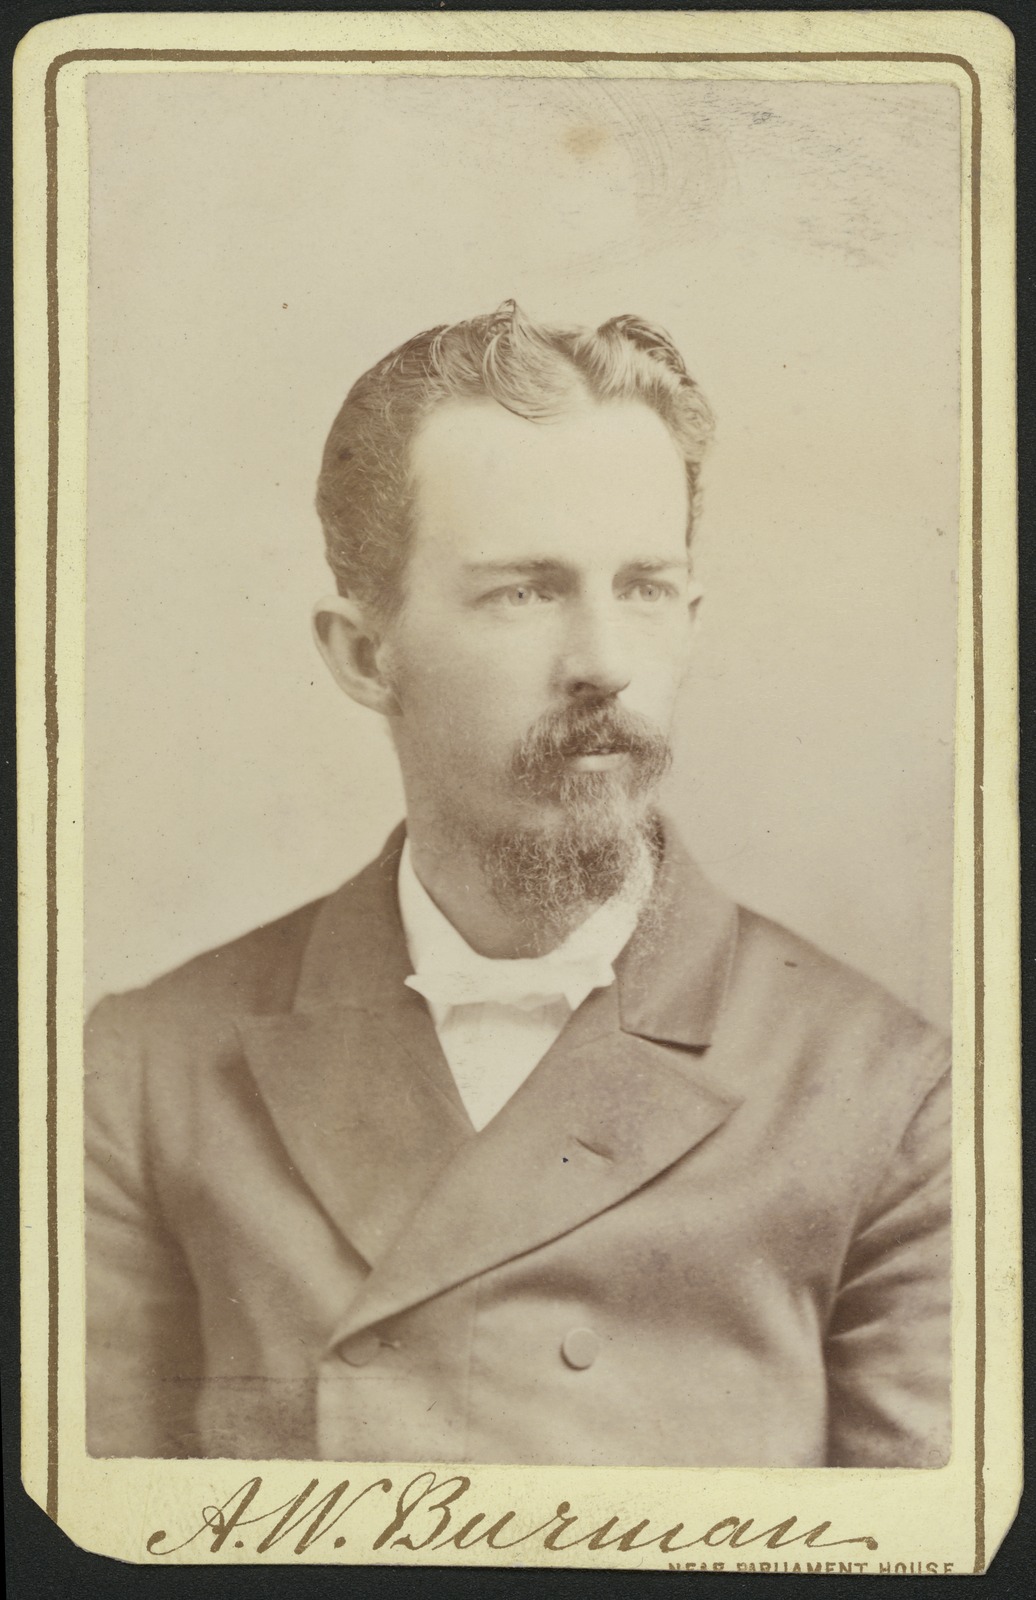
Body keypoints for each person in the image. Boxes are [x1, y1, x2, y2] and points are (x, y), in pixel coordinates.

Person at [85, 301, 950, 1467]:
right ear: (363, 653)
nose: (604, 661)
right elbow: (95, 1538)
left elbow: (919, 1550)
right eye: (524, 592)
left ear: (689, 617)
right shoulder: (148, 1075)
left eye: (643, 587)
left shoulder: (886, 1095)